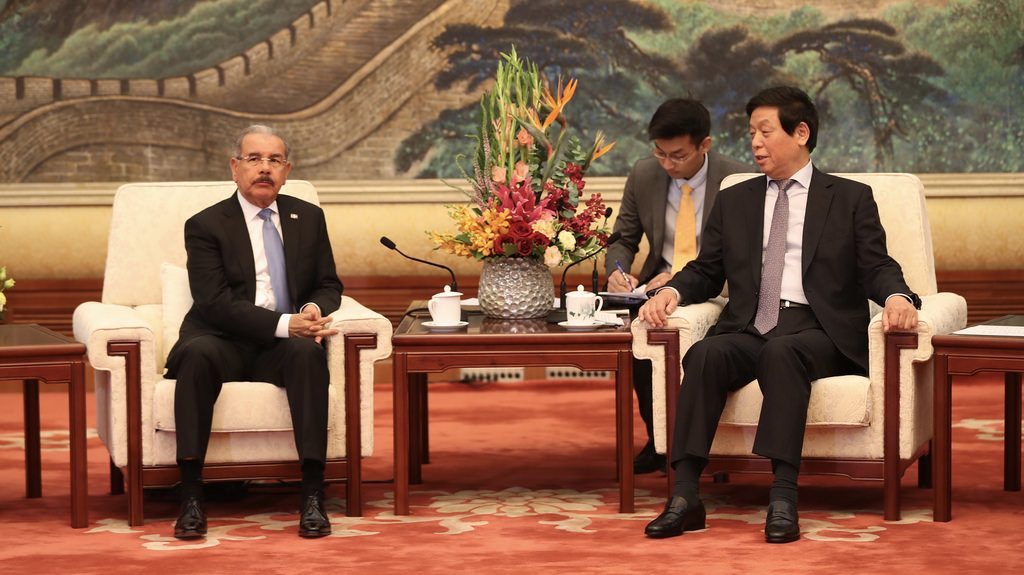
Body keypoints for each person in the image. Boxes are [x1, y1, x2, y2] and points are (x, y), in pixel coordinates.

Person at [638, 86, 920, 543]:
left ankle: (783, 496)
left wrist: (898, 297)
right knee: (706, 355)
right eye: (751, 132)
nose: (755, 142)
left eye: (765, 132)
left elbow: (877, 266)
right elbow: (707, 269)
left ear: (801, 133)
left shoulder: (849, 198)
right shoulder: (737, 199)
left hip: (819, 330)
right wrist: (671, 291)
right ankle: (685, 495)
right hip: (752, 324)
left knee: (783, 353)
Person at [164, 124, 343, 539]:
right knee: (198, 355)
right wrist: (286, 324)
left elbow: (328, 284)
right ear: (235, 167)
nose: (265, 168)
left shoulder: (308, 217)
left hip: (283, 346)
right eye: (254, 159)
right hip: (221, 339)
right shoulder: (206, 225)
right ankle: (191, 495)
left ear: (287, 170)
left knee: (308, 353)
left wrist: (311, 311)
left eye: (274, 160)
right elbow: (214, 302)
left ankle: (312, 494)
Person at [605, 98, 750, 474]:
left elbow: (744, 254)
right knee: (640, 339)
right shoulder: (644, 174)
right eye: (660, 153)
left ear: (705, 145)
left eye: (678, 156)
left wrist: (684, 278)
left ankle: (707, 444)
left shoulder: (737, 179)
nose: (667, 164)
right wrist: (617, 270)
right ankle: (660, 439)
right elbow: (623, 238)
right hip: (655, 286)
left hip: (716, 287)